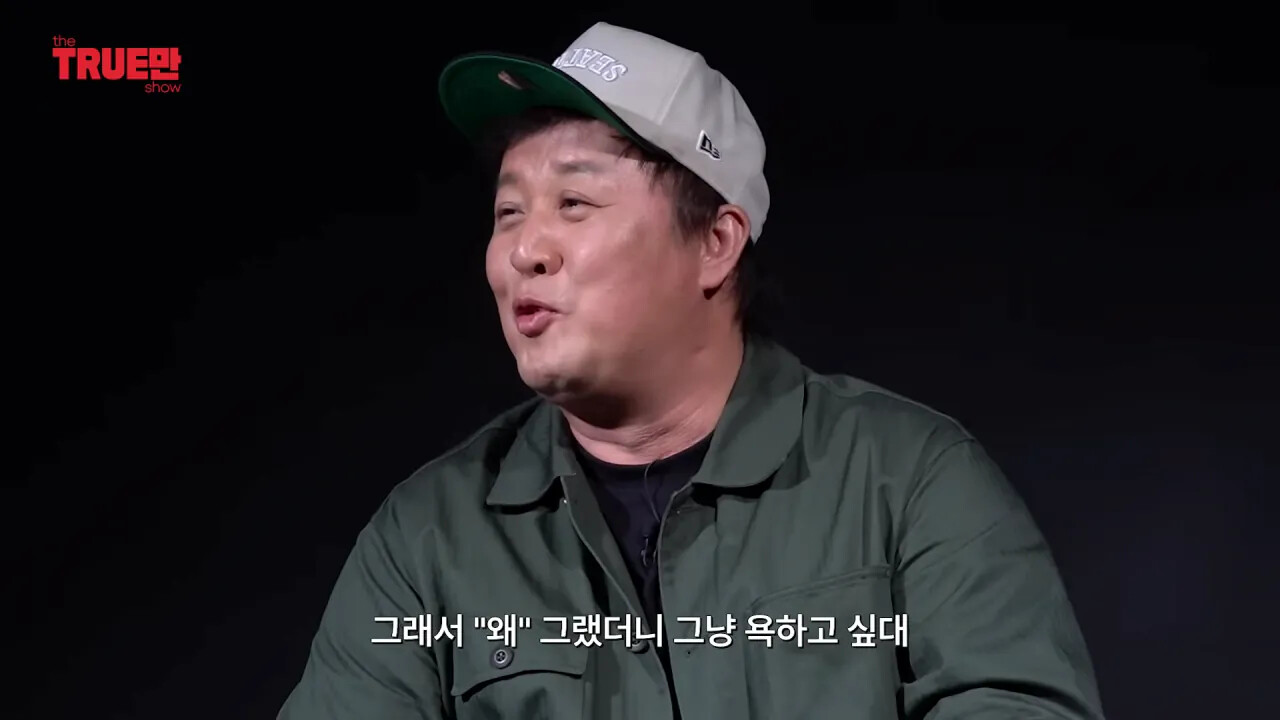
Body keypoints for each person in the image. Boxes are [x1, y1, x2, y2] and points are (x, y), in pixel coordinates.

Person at [277, 21, 1105, 720]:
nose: (524, 250)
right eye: (509, 211)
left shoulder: (908, 480)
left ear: (715, 242)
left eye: (574, 203)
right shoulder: (427, 537)